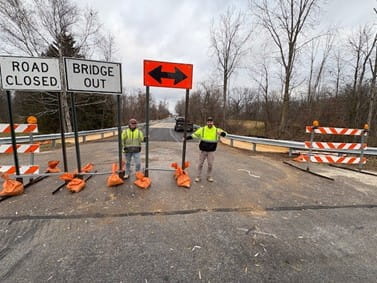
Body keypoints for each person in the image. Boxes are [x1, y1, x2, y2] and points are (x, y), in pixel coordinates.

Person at [186, 117, 226, 182]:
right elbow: (195, 135)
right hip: (203, 150)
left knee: (210, 165)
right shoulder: (202, 129)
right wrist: (187, 138)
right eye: (208, 122)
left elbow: (225, 134)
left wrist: (221, 133)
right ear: (207, 122)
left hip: (211, 151)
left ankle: (209, 177)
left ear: (213, 122)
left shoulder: (217, 130)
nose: (209, 123)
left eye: (211, 121)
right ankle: (198, 177)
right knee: (200, 164)